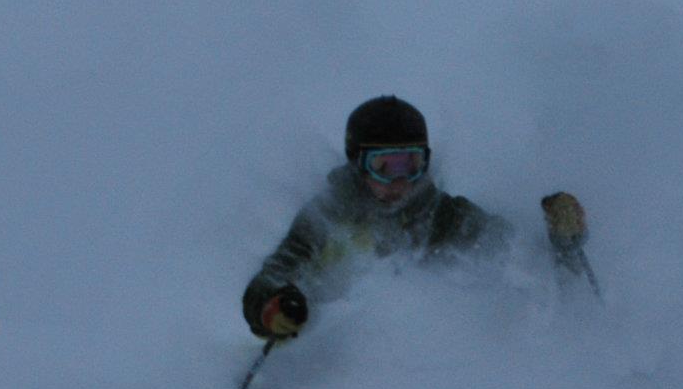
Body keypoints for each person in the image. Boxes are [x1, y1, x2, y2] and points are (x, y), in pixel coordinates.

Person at [242, 95, 590, 343]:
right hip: (336, 369)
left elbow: (519, 257)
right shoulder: (329, 215)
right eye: (384, 166)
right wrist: (273, 306)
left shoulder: (440, 215)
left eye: (410, 165)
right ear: (357, 164)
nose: (399, 181)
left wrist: (562, 241)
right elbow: (273, 275)